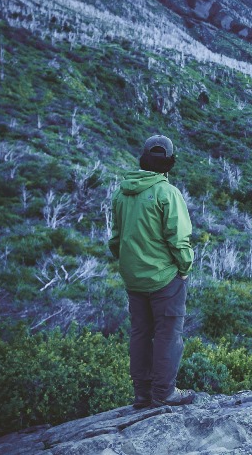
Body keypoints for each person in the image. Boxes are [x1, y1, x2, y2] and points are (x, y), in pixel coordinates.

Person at [109, 134, 196, 408]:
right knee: (168, 333)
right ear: (170, 162)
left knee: (140, 333)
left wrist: (130, 265)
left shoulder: (122, 192)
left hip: (134, 279)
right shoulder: (167, 193)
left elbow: (116, 239)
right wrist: (184, 268)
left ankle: (142, 394)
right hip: (164, 279)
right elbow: (178, 239)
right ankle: (164, 393)